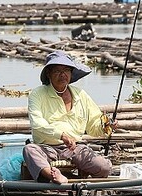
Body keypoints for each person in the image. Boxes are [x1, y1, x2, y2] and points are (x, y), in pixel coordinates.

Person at [23, 51, 116, 184]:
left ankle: (76, 177)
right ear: (49, 73)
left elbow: (94, 126)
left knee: (104, 167)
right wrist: (62, 136)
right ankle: (53, 175)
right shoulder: (37, 94)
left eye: (66, 70)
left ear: (71, 73)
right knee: (29, 150)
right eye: (57, 71)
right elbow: (37, 124)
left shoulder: (81, 95)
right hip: (47, 148)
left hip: (75, 148)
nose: (62, 74)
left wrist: (107, 126)